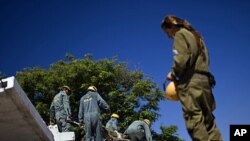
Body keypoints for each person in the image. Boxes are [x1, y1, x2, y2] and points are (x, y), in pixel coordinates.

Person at [161, 15, 222, 141]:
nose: (168, 35)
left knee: (194, 120)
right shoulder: (197, 36)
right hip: (205, 81)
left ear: (171, 26)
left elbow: (182, 58)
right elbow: (206, 60)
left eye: (167, 32)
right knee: (208, 121)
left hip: (190, 83)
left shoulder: (180, 34)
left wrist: (173, 73)